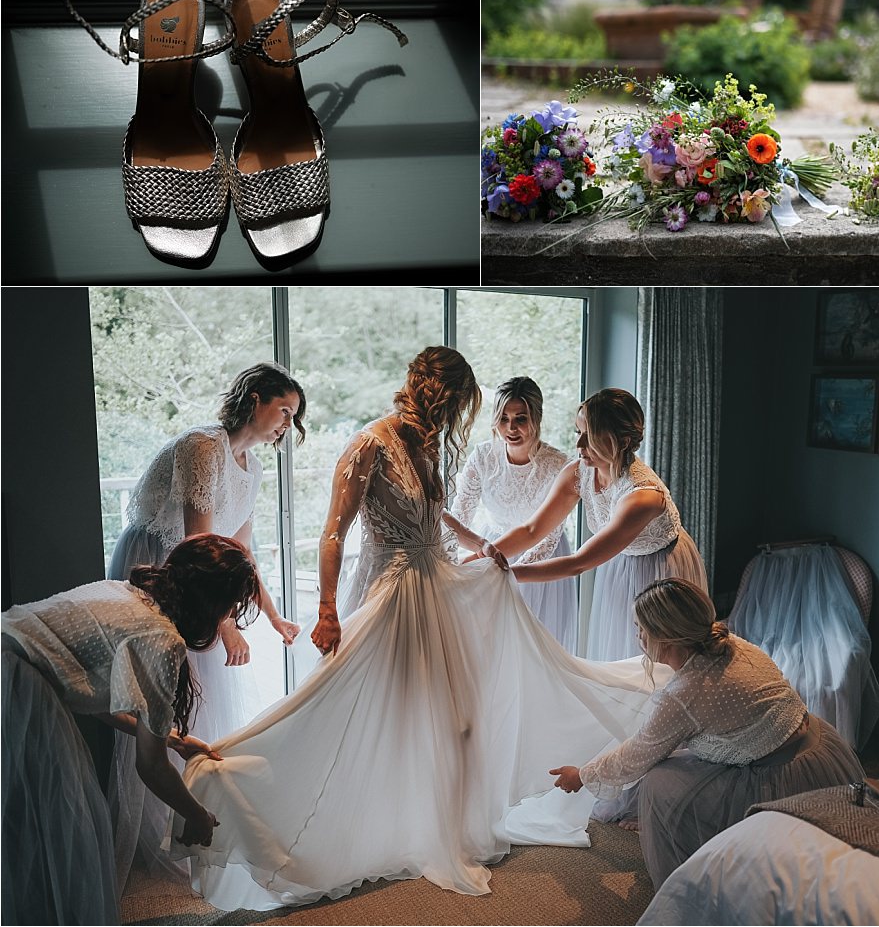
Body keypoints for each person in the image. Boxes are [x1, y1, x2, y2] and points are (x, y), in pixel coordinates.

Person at [172, 346, 671, 912]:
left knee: (453, 720)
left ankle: (429, 825)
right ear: (436, 394)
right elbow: (333, 534)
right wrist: (329, 608)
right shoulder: (370, 443)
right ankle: (236, 782)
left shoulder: (428, 443)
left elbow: (439, 520)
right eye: (458, 404)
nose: (457, 419)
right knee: (350, 714)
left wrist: (485, 555)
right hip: (387, 594)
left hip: (437, 589)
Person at [107, 362, 304, 887]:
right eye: (284, 410)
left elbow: (239, 550)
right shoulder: (202, 447)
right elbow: (197, 545)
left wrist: (272, 614)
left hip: (202, 571)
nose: (287, 423)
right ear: (256, 400)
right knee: (162, 687)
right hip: (163, 565)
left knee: (204, 691)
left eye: (293, 416)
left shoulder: (253, 467)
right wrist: (226, 625)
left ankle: (197, 812)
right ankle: (155, 825)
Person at [1, 534, 261, 926]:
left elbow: (87, 693)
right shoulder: (161, 640)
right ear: (212, 603)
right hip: (16, 687)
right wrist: (197, 815)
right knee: (57, 835)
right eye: (230, 609)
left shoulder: (125, 593)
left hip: (10, 654)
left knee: (20, 831)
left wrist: (174, 739)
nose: (230, 618)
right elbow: (150, 766)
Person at [549, 578, 865, 889]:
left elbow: (636, 756)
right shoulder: (732, 643)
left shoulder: (685, 694)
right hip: (817, 746)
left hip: (777, 777)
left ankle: (688, 874)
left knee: (660, 779)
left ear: (666, 639)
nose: (637, 636)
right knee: (687, 753)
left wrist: (583, 775)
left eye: (640, 629)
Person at [481, 388, 708, 663]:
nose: (580, 445)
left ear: (622, 440)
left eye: (592, 436)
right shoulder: (579, 472)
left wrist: (507, 575)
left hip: (660, 568)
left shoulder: (642, 496)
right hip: (618, 564)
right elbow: (532, 530)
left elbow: (578, 562)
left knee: (656, 658)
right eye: (578, 432)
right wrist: (480, 555)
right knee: (617, 652)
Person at [449, 377, 578, 653]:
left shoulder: (560, 465)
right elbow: (459, 517)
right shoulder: (483, 456)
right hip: (491, 551)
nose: (511, 428)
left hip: (541, 559)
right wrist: (460, 563)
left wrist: (514, 574)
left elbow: (546, 538)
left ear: (537, 417)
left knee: (535, 651)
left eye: (521, 418)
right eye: (504, 418)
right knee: (492, 650)